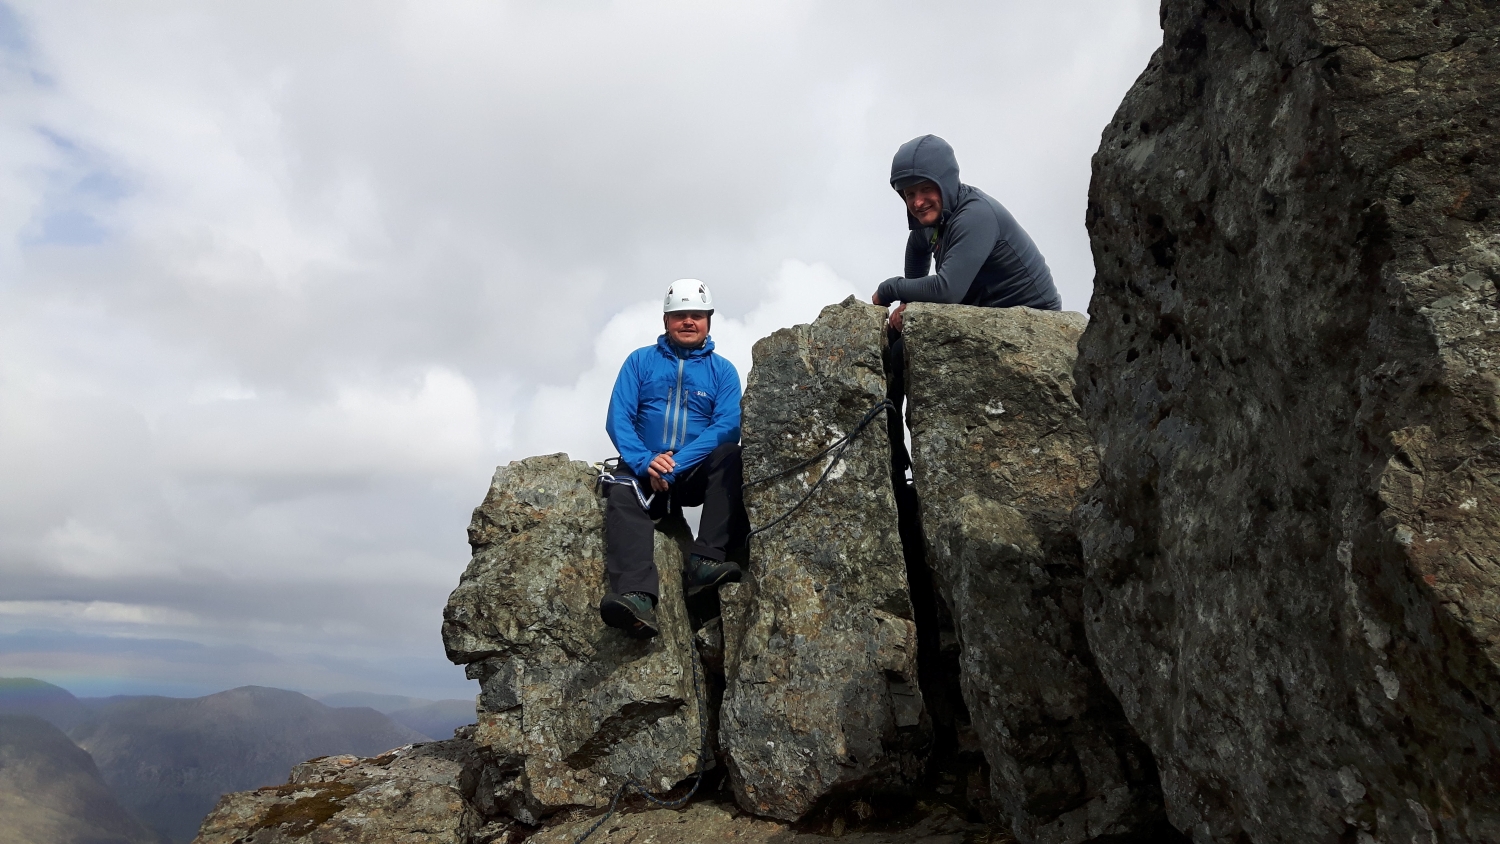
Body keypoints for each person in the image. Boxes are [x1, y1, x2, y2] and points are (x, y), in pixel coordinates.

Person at [872, 134, 1063, 477]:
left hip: (1030, 324)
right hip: (985, 313)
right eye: (908, 193)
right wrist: (909, 302)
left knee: (905, 354)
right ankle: (891, 450)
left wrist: (889, 291)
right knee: (893, 346)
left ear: (944, 183)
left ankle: (895, 458)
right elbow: (917, 248)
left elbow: (946, 291)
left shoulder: (974, 216)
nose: (916, 202)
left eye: (924, 189)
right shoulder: (937, 217)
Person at [597, 279, 748, 638]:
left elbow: (727, 426)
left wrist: (674, 464)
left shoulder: (722, 371)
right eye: (680, 316)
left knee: (731, 456)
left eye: (696, 315)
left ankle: (705, 560)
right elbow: (618, 418)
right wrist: (645, 460)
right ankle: (638, 598)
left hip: (691, 471)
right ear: (666, 321)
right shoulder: (639, 362)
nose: (688, 322)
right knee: (621, 495)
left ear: (708, 320)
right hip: (641, 469)